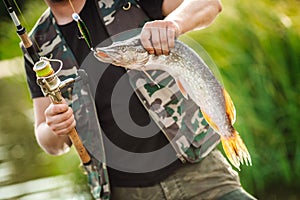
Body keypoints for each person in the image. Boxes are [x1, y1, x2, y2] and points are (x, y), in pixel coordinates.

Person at [23, 0, 257, 199]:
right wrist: (55, 126)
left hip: (201, 175)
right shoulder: (37, 44)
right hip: (125, 192)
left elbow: (209, 4)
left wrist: (173, 25)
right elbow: (49, 141)